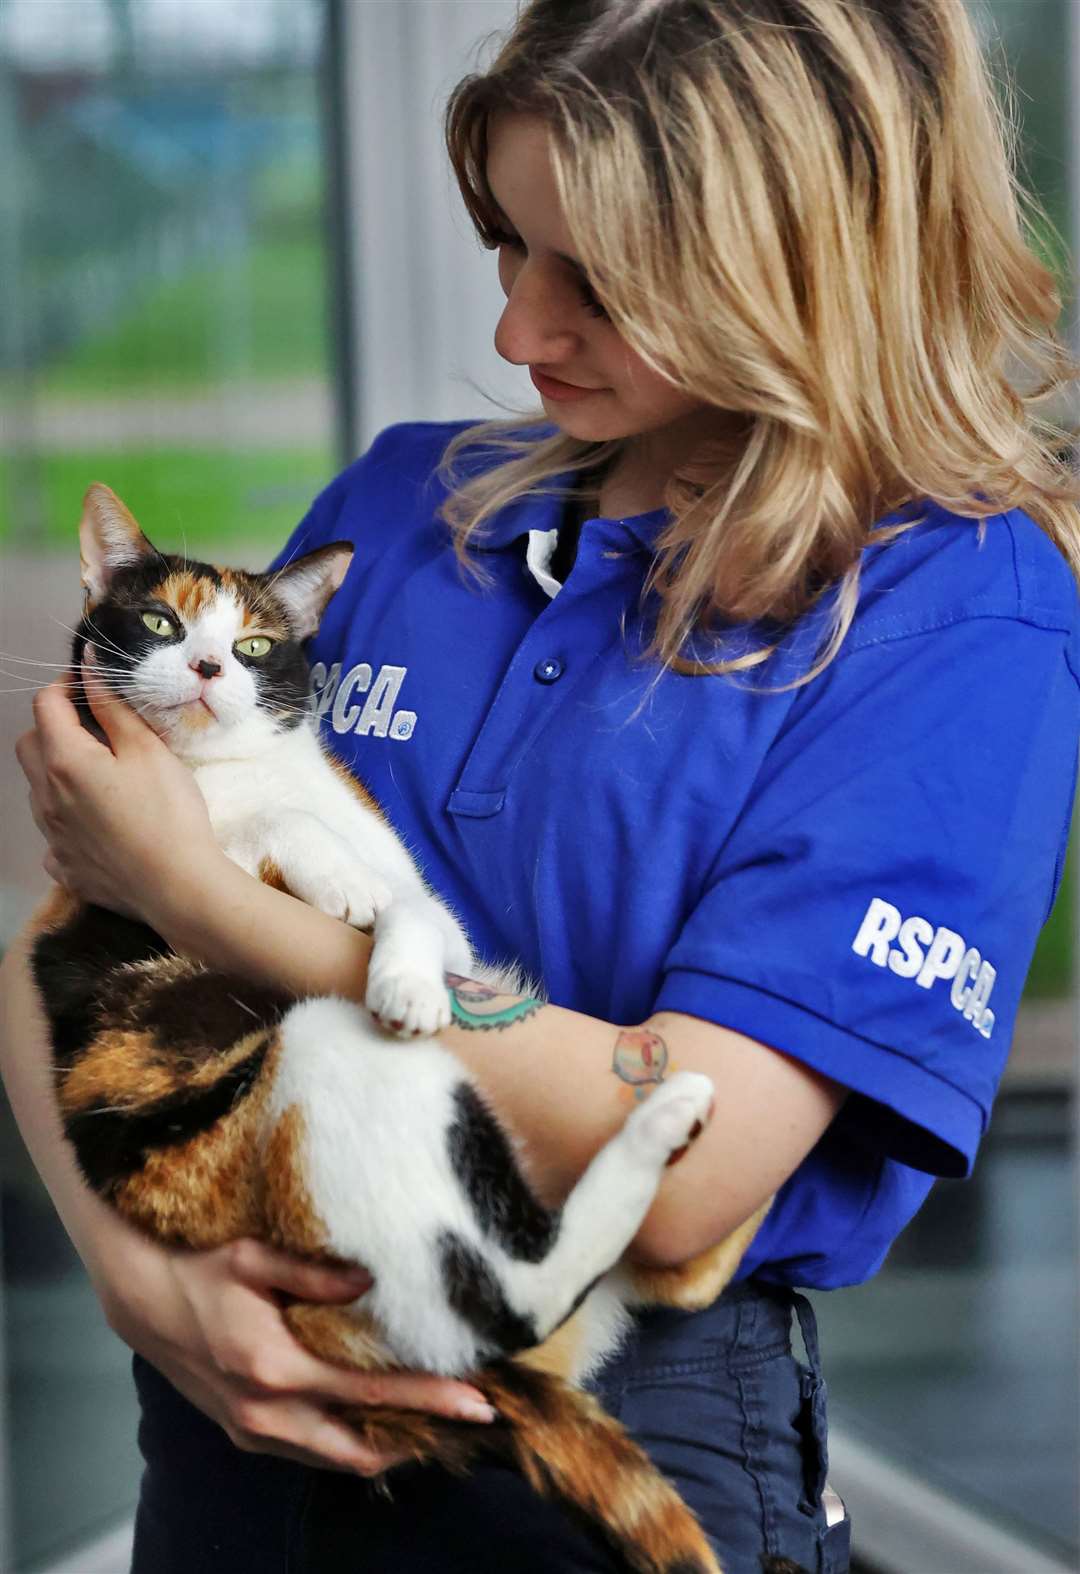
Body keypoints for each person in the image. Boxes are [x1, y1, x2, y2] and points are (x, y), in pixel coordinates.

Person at [4, 2, 1079, 1570]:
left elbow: (688, 1167)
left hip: (600, 1451)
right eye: (510, 243)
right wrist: (137, 1276)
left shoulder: (953, 604)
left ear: (805, 266)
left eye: (600, 282)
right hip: (231, 1429)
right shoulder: (401, 505)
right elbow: (58, 963)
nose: (516, 329)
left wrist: (199, 896)